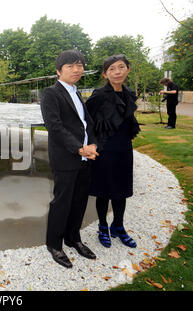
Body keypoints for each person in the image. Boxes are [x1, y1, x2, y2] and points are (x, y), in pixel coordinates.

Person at [40, 50, 99, 269]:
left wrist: (92, 144)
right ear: (59, 70)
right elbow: (54, 126)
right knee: (62, 202)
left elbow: (87, 124)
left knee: (80, 200)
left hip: (85, 157)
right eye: (71, 66)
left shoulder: (76, 93)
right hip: (66, 158)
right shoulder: (50, 93)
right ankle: (54, 244)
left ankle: (73, 238)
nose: (77, 69)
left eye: (80, 65)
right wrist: (79, 148)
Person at [85, 54, 141, 249]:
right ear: (105, 74)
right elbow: (87, 122)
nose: (117, 72)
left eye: (121, 67)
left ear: (128, 69)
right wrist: (91, 145)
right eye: (112, 69)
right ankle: (102, 227)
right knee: (104, 191)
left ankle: (118, 226)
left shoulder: (128, 94)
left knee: (122, 190)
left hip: (124, 149)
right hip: (105, 149)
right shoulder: (99, 95)